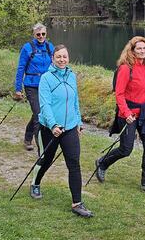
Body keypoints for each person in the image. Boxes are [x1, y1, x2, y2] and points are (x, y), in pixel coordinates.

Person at [29, 44, 93, 218]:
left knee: (74, 163)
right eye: (59, 57)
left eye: (64, 56)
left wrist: (78, 121)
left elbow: (74, 101)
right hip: (50, 129)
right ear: (53, 59)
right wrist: (53, 125)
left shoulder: (71, 76)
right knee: (46, 160)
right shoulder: (46, 78)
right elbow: (45, 105)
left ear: (68, 58)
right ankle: (35, 183)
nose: (62, 60)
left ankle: (77, 203)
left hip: (70, 127)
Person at [94, 36, 145, 194]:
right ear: (132, 50)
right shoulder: (126, 68)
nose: (142, 51)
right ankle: (102, 163)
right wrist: (126, 113)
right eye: (138, 48)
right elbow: (119, 94)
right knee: (126, 149)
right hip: (128, 113)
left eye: (144, 48)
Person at [14, 23, 54, 151]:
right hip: (31, 85)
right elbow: (21, 68)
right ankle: (41, 149)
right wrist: (18, 88)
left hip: (46, 85)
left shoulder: (50, 47)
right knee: (38, 114)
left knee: (38, 113)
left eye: (43, 34)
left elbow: (55, 66)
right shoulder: (27, 48)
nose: (41, 36)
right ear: (34, 35)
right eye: (38, 34)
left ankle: (27, 137)